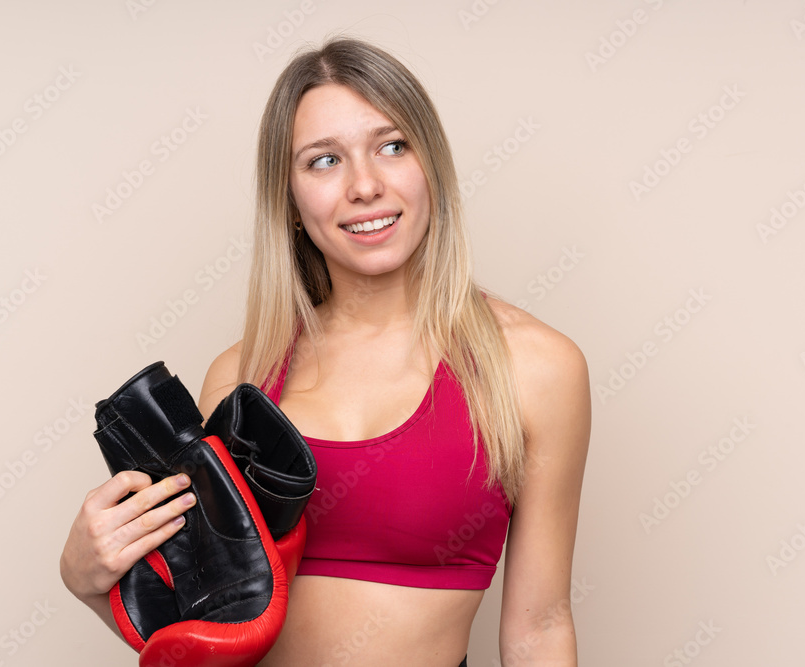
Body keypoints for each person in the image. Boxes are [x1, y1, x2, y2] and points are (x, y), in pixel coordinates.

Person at [60, 36, 590, 666]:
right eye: (323, 161)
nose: (365, 186)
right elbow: (205, 631)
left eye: (392, 146)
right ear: (288, 195)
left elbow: (539, 626)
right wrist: (87, 580)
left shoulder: (532, 368)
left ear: (432, 166)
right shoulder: (242, 378)